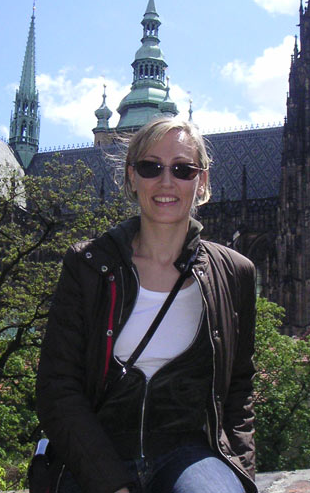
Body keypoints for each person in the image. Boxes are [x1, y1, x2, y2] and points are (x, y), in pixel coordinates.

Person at [36, 117, 257, 493]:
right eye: (150, 167)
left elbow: (239, 388)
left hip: (187, 450)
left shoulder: (234, 273)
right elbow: (57, 388)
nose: (166, 181)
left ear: (201, 182)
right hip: (94, 448)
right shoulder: (89, 265)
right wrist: (112, 485)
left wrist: (239, 467)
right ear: (131, 177)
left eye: (183, 169)